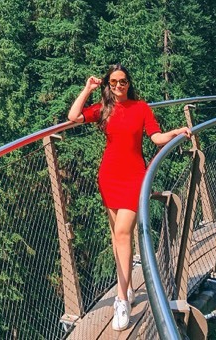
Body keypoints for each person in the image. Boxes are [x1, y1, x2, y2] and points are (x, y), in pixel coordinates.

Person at [68, 65, 191, 332]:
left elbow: (156, 137)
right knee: (117, 235)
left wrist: (176, 133)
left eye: (122, 81)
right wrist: (88, 88)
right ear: (108, 85)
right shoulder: (104, 109)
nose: (118, 86)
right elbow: (73, 116)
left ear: (128, 83)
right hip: (109, 176)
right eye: (113, 82)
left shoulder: (141, 107)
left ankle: (121, 299)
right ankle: (129, 287)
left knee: (123, 232)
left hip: (135, 177)